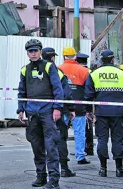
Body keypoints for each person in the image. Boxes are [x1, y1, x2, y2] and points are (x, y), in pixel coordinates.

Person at [17, 39, 64, 189]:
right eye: (30, 51)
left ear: (40, 51)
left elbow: (58, 89)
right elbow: (21, 91)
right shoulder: (25, 70)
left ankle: (54, 179)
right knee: (36, 146)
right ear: (27, 53)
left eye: (36, 51)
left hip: (48, 111)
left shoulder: (50, 67)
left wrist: (58, 108)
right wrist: (20, 109)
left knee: (51, 146)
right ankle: (41, 176)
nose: (33, 53)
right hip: (32, 112)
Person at [85, 50, 123, 178]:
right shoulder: (122, 74)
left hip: (101, 112)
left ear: (101, 60)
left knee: (102, 139)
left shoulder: (94, 74)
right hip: (118, 112)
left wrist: (88, 110)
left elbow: (88, 95)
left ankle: (103, 169)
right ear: (112, 60)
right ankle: (119, 168)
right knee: (117, 139)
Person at [42, 47, 76, 178]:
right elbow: (66, 93)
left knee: (43, 140)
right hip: (58, 111)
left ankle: (43, 171)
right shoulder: (57, 72)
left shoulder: (35, 70)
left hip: (40, 111)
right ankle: (64, 169)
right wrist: (71, 109)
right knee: (60, 139)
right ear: (52, 58)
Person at [58, 46, 91, 165]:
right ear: (75, 56)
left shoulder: (58, 69)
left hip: (63, 106)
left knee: (61, 132)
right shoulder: (85, 71)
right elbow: (88, 91)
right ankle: (80, 156)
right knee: (79, 132)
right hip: (79, 106)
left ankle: (61, 155)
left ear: (63, 56)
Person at [76, 52, 95, 156]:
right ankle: (89, 147)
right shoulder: (89, 71)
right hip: (88, 101)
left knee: (85, 127)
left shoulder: (80, 71)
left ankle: (87, 147)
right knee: (88, 125)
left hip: (82, 101)